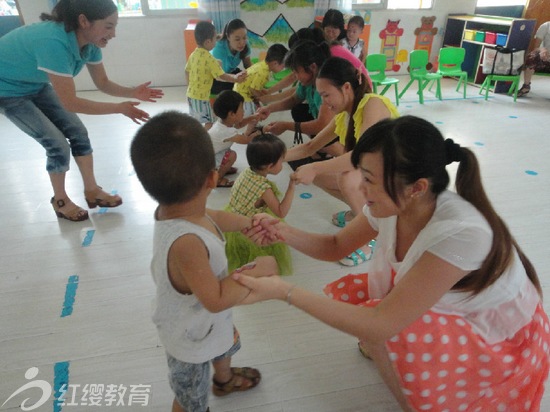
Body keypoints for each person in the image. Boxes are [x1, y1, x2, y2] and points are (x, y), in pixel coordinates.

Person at [235, 115, 550, 411]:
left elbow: (381, 323)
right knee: (381, 327)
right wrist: (282, 231)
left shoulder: (461, 233)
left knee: (384, 328)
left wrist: (283, 291)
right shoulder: (391, 205)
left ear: (417, 188)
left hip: (494, 329)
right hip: (449, 300)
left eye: (369, 179)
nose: (360, 188)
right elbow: (335, 246)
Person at [130, 111, 278, 412]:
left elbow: (216, 217)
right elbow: (215, 298)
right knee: (190, 398)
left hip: (210, 324)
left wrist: (249, 223)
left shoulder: (180, 209)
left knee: (225, 345)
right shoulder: (186, 244)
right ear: (213, 178)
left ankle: (224, 380)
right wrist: (256, 271)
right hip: (190, 339)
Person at [0, 0, 163, 222]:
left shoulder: (91, 44)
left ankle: (92, 190)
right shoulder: (53, 42)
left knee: (78, 132)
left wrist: (132, 92)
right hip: (7, 89)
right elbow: (71, 102)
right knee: (56, 143)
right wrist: (119, 108)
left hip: (34, 84)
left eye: (114, 26)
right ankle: (60, 200)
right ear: (84, 21)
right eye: (108, 26)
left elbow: (103, 82)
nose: (113, 33)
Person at [288, 57, 399, 266]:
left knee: (346, 177)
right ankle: (362, 213)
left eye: (326, 95)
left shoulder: (372, 103)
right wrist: (273, 156)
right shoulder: (343, 115)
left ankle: (372, 234)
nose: (324, 102)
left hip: (396, 178)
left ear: (346, 87)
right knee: (312, 173)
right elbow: (309, 147)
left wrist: (314, 166)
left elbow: (362, 156)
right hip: (376, 177)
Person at [258, 40, 344, 165]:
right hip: (328, 124)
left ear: (313, 68)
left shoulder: (327, 86)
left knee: (322, 137)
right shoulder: (308, 83)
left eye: (297, 71)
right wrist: (269, 108)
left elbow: (322, 125)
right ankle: (321, 148)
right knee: (299, 110)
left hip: (342, 130)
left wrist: (286, 126)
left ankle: (344, 154)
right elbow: (293, 99)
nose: (295, 76)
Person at [224, 133, 295, 276]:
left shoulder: (247, 172)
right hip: (250, 231)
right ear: (270, 166)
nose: (283, 163)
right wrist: (292, 185)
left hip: (233, 223)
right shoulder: (264, 188)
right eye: (281, 160)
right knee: (275, 227)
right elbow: (281, 212)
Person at [185, 21, 246, 128]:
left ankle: (195, 135)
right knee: (209, 122)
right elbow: (221, 76)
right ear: (208, 42)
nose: (216, 41)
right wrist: (235, 79)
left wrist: (189, 85)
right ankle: (203, 140)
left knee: (197, 120)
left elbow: (186, 71)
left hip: (190, 95)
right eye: (214, 39)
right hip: (202, 98)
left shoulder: (193, 55)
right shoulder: (209, 59)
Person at [210, 90, 261, 187]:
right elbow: (246, 140)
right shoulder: (225, 131)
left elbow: (239, 124)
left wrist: (253, 117)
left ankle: (221, 167)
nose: (244, 111)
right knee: (231, 155)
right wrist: (256, 132)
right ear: (231, 114)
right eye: (242, 108)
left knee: (229, 153)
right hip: (207, 161)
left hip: (210, 154)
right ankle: (217, 179)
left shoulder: (223, 122)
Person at [233, 43, 288, 117]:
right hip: (243, 96)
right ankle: (250, 127)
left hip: (240, 91)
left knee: (258, 109)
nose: (283, 69)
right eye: (283, 66)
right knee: (256, 115)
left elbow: (255, 87)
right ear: (275, 63)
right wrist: (263, 98)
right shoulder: (263, 73)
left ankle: (252, 126)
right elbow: (253, 89)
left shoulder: (262, 65)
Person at [211, 19, 252, 95]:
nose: (242, 42)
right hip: (215, 78)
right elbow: (219, 76)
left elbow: (248, 65)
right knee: (236, 88)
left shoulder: (245, 44)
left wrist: (257, 74)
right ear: (228, 37)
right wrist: (235, 78)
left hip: (230, 73)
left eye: (244, 38)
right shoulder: (218, 48)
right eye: (237, 39)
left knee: (249, 82)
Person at [518, 20, 550, 97]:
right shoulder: (546, 26)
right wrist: (542, 50)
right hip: (544, 57)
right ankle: (526, 86)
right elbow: (536, 47)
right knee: (532, 56)